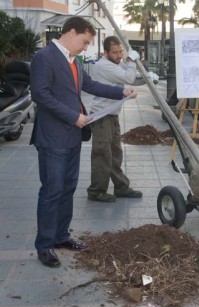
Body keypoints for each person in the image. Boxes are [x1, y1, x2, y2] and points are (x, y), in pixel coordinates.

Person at [30, 16, 137, 268]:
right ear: (70, 32)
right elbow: (40, 94)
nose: (86, 47)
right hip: (53, 138)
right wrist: (73, 116)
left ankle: (61, 236)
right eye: (85, 41)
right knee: (51, 190)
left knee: (67, 188)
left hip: (73, 136)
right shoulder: (45, 57)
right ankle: (44, 245)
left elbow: (91, 85)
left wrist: (121, 91)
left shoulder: (74, 60)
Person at [87, 36, 145, 202]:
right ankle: (96, 191)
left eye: (121, 52)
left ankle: (121, 187)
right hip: (102, 116)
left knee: (115, 153)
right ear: (105, 53)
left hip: (112, 114)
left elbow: (127, 72)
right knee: (102, 154)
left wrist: (133, 64)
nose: (119, 55)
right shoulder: (104, 65)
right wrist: (131, 60)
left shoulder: (114, 63)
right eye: (115, 53)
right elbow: (128, 78)